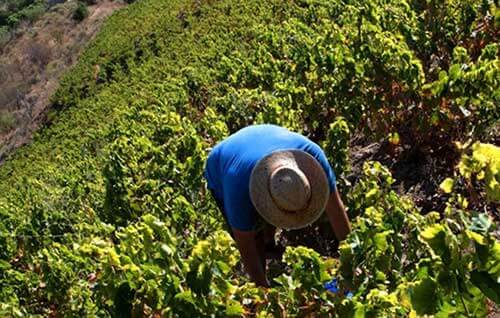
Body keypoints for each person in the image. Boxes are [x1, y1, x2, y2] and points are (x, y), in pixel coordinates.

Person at [204, 124, 351, 287]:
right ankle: (264, 257)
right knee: (255, 236)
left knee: (279, 202)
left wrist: (353, 260)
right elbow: (245, 243)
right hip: (222, 163)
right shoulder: (237, 188)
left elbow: (336, 210)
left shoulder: (313, 159)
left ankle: (270, 245)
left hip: (265, 136)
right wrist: (264, 293)